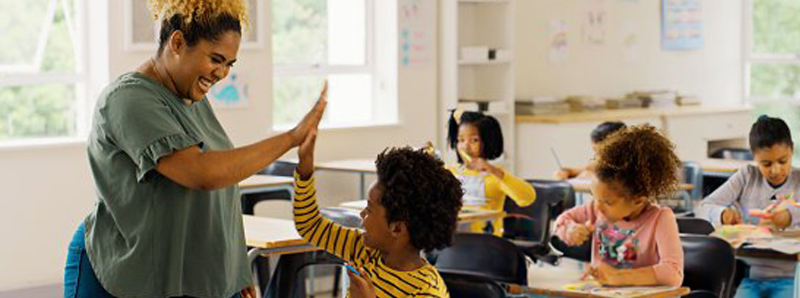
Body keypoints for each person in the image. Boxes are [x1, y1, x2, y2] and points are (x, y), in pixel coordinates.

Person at [63, 0, 327, 297]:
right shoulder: (128, 99)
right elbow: (202, 173)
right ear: (177, 42)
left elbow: (223, 191)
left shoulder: (193, 100)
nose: (223, 73)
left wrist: (236, 270)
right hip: (121, 271)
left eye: (230, 63)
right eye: (216, 59)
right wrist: (291, 138)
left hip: (184, 275)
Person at [293, 127, 463, 297]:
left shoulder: (427, 291)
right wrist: (305, 172)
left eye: (369, 209)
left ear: (396, 228)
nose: (362, 215)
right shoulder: (363, 250)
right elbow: (310, 225)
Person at [554, 124, 684, 286]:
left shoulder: (660, 218)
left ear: (638, 199)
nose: (598, 207)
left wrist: (620, 277)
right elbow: (561, 221)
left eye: (607, 202)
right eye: (596, 198)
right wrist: (570, 229)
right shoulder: (596, 210)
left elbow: (673, 273)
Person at [698, 115, 799, 298]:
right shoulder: (747, 176)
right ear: (754, 157)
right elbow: (704, 207)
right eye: (766, 164)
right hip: (752, 276)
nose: (775, 170)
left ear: (791, 149)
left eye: (782, 161)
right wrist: (722, 214)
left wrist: (788, 216)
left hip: (792, 276)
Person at [446, 110, 535, 235]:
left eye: (474, 140)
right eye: (461, 140)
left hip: (486, 242)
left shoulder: (495, 174)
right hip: (454, 238)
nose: (466, 146)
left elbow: (527, 198)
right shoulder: (450, 172)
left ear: (486, 142)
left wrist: (495, 171)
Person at [554, 121, 626, 180]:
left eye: (601, 152)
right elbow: (573, 171)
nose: (597, 156)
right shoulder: (595, 165)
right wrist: (564, 172)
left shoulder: (625, 168)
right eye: (595, 151)